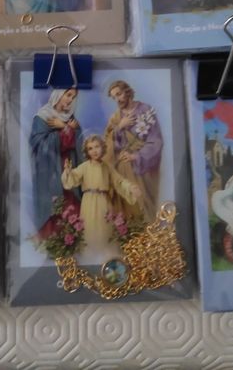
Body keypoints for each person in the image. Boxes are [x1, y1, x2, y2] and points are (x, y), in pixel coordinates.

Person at [61, 135, 141, 255]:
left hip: (104, 202)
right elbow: (73, 178)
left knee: (105, 228)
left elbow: (119, 181)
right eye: (90, 148)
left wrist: (131, 187)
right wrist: (68, 171)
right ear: (87, 151)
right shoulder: (85, 166)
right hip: (88, 202)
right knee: (89, 228)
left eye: (97, 147)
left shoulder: (107, 167)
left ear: (102, 148)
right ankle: (90, 256)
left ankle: (105, 255)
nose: (94, 151)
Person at [104, 80, 163, 222]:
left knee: (145, 206)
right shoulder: (116, 117)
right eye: (114, 97)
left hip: (142, 166)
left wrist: (136, 156)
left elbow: (156, 141)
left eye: (119, 94)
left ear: (127, 91)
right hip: (123, 166)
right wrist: (120, 127)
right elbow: (108, 144)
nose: (117, 100)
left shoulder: (145, 110)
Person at [29, 88, 83, 240]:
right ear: (59, 94)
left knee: (71, 204)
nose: (71, 100)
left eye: (73, 97)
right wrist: (65, 129)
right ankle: (53, 240)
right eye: (68, 95)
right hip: (50, 171)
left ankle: (71, 239)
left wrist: (67, 128)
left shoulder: (71, 119)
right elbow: (38, 146)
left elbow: (80, 142)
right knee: (54, 206)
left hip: (69, 169)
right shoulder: (42, 117)